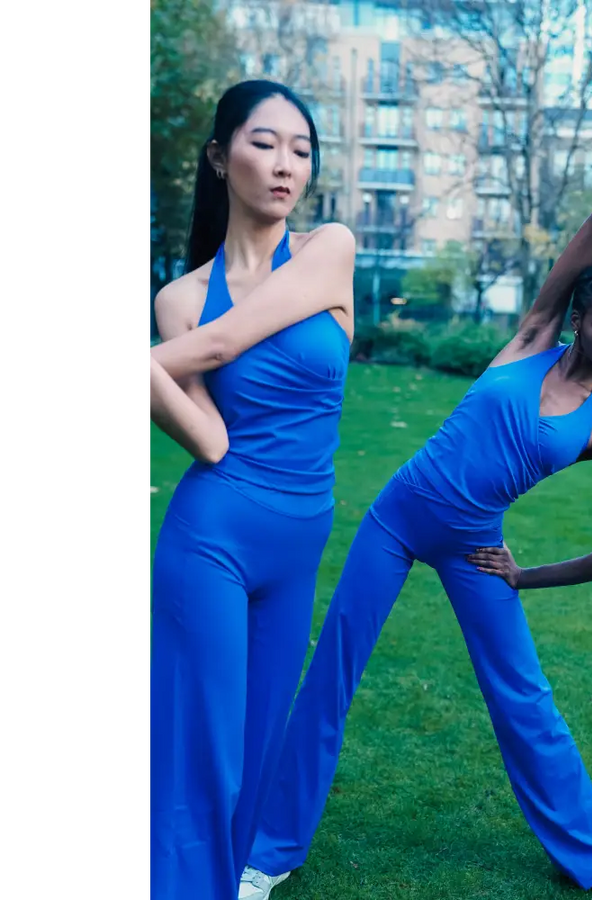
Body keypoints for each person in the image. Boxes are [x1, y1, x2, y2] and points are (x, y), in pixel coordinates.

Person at [239, 201, 592, 900]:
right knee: (331, 676)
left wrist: (524, 574)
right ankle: (269, 854)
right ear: (576, 319)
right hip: (395, 518)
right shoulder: (531, 335)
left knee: (525, 699)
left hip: (476, 548)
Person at [147, 79, 356, 900]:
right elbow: (211, 438)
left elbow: (229, 341)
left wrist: (162, 364)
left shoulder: (327, 249)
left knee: (259, 749)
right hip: (213, 538)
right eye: (264, 143)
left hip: (298, 545)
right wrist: (170, 362)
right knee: (202, 750)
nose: (285, 166)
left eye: (301, 151)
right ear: (219, 156)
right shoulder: (179, 300)